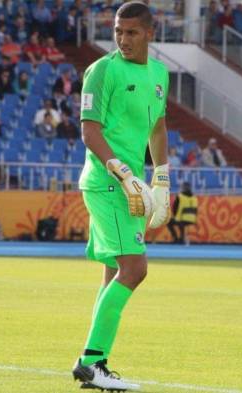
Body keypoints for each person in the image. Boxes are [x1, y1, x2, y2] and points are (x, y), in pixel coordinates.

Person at [71, 2, 170, 391]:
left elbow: (158, 127)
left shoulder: (160, 74)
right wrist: (125, 173)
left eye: (131, 32)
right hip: (107, 182)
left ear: (150, 33)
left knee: (114, 272)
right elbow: (89, 131)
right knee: (135, 269)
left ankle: (95, 363)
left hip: (132, 184)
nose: (122, 39)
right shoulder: (101, 71)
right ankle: (91, 361)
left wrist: (161, 179)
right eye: (118, 31)